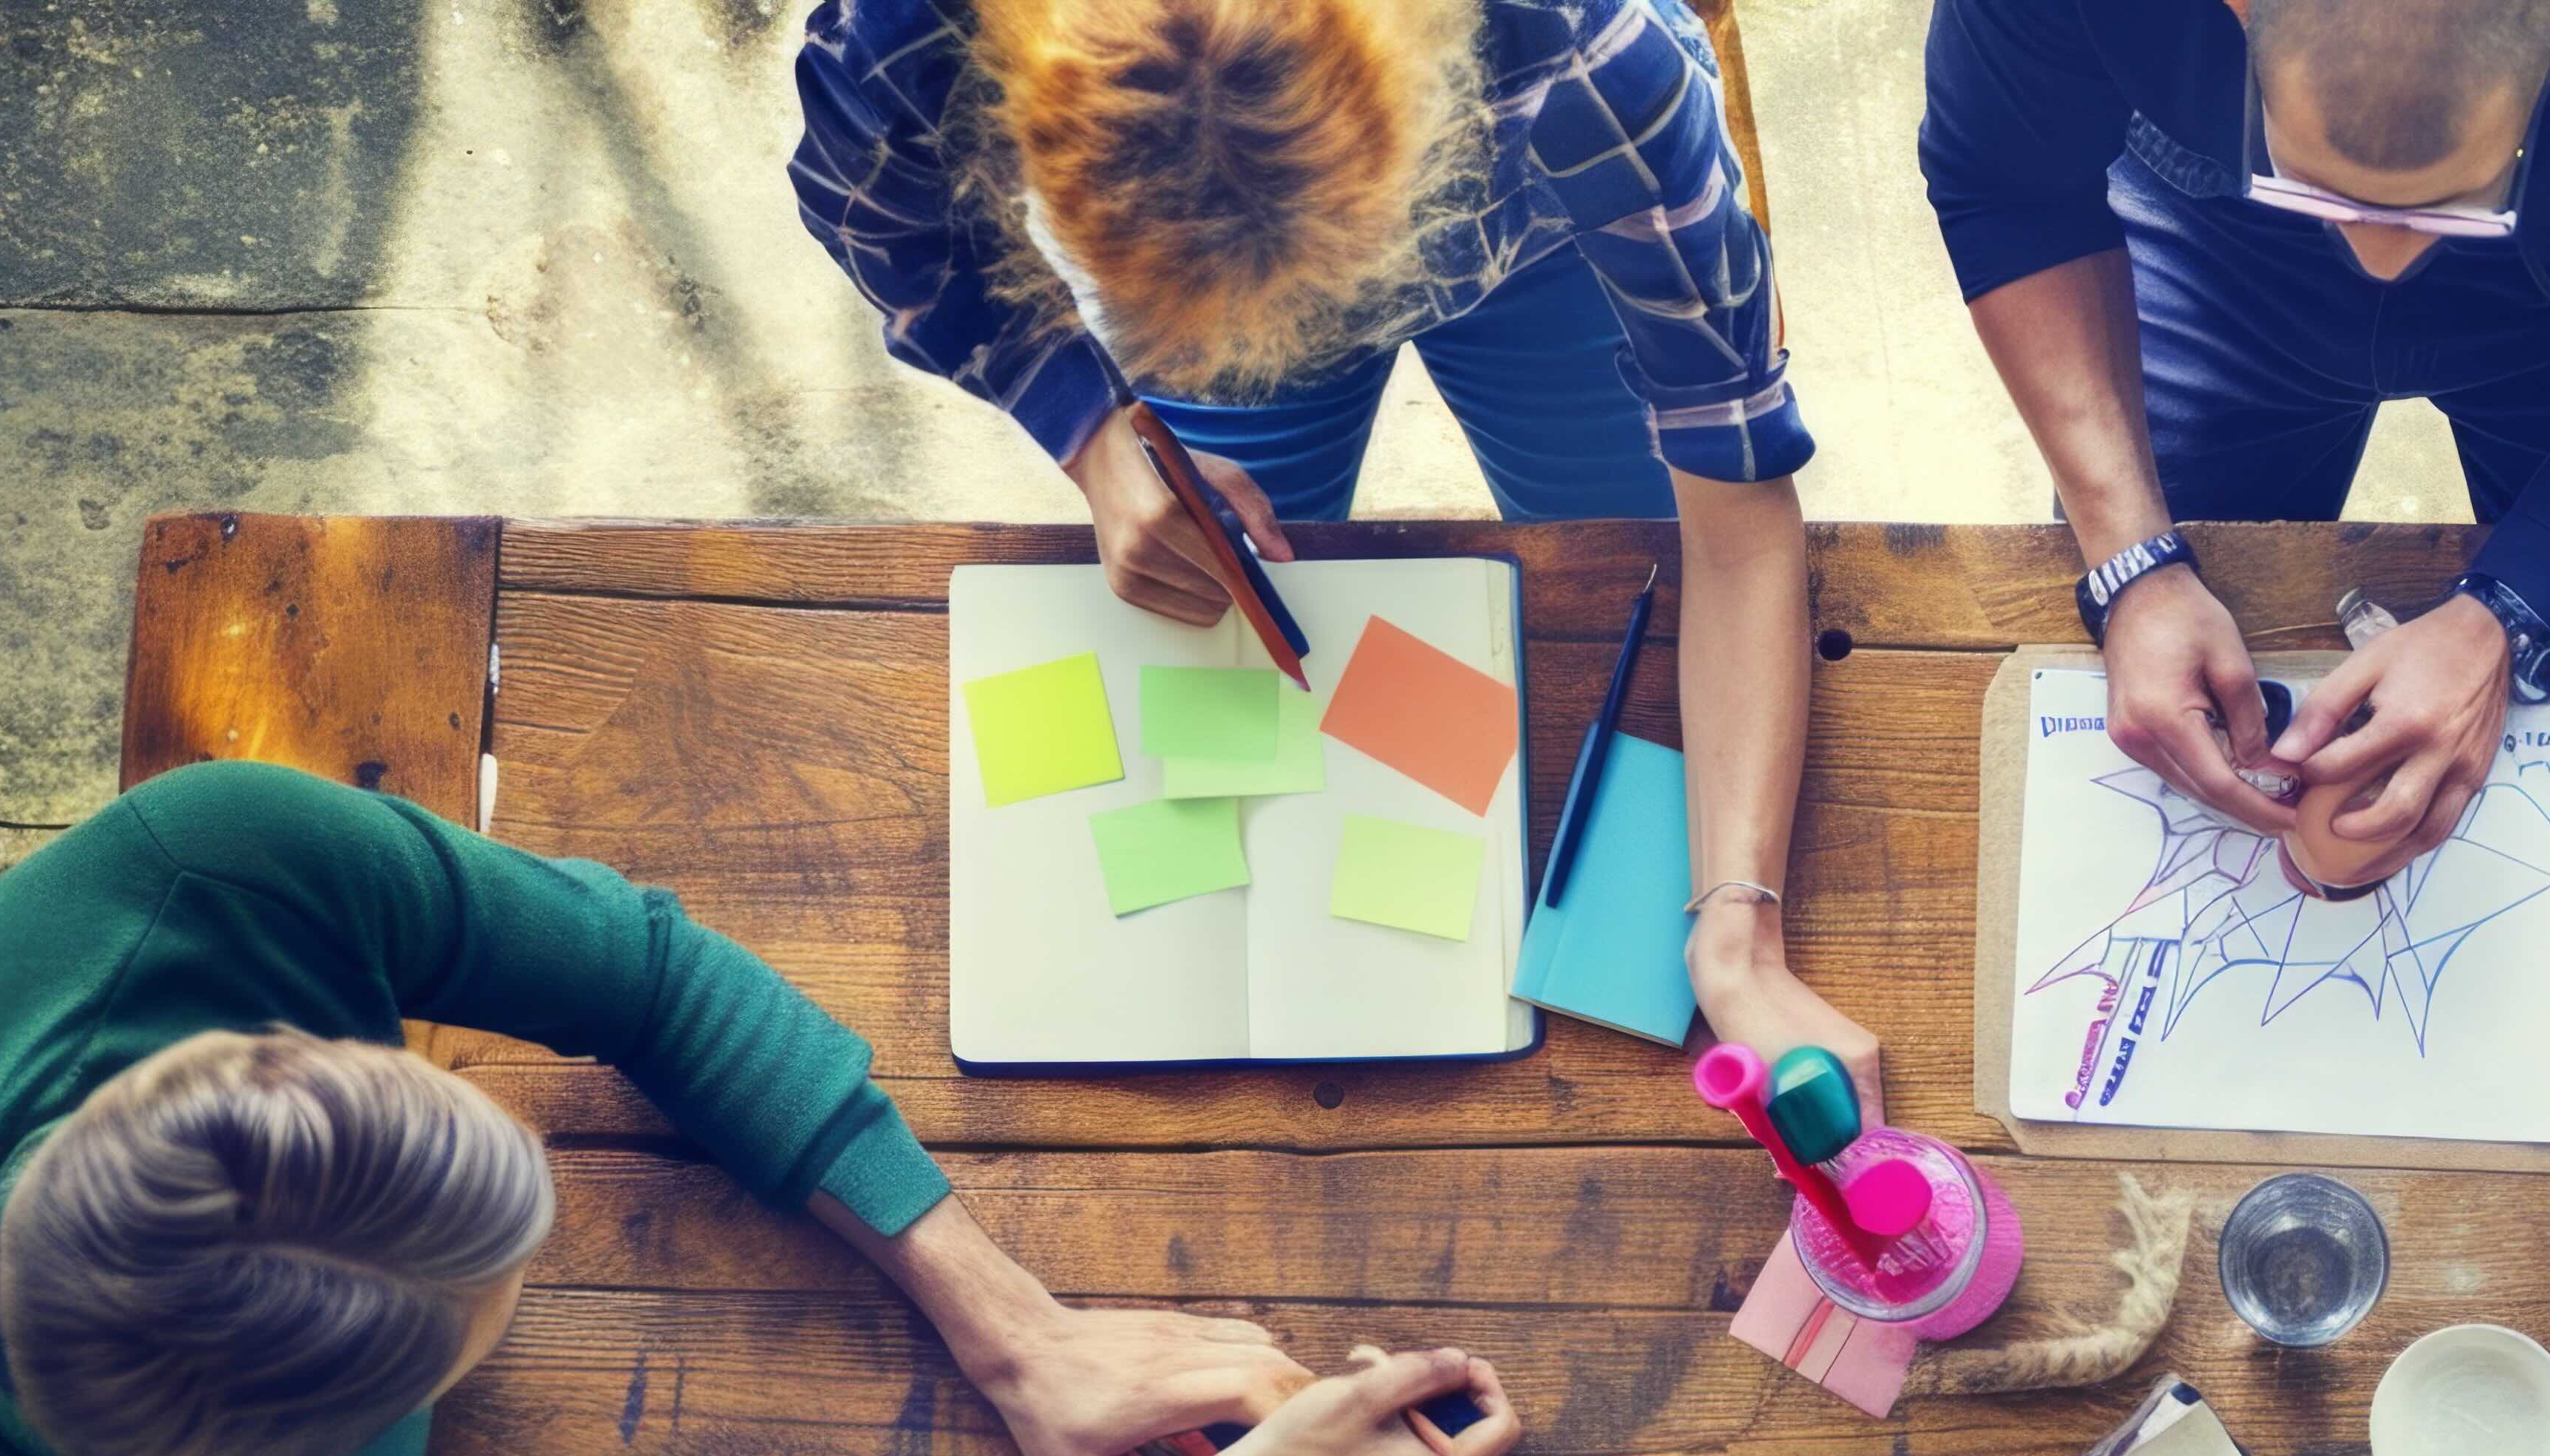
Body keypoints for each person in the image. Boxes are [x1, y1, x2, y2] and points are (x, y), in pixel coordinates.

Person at [0, 761, 1522, 1456]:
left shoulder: (208, 875)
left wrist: (1021, 1333)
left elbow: (646, 979)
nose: (538, 1187)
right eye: (483, 1325)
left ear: (215, 1066)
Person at [796, 0, 1878, 1104]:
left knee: (1615, 571)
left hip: (1541, 239)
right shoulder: (900, 32)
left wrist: (1738, 931)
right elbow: (872, 214)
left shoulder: (1578, 47)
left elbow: (1734, 528)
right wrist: (1088, 425)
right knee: (1220, 624)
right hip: (1210, 291)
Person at [1921, 0, 2550, 890]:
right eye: (2321, 191)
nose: (2379, 258)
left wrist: (2510, 618)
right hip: (2214, 249)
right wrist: (2129, 560)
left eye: (2439, 206)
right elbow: (2007, 189)